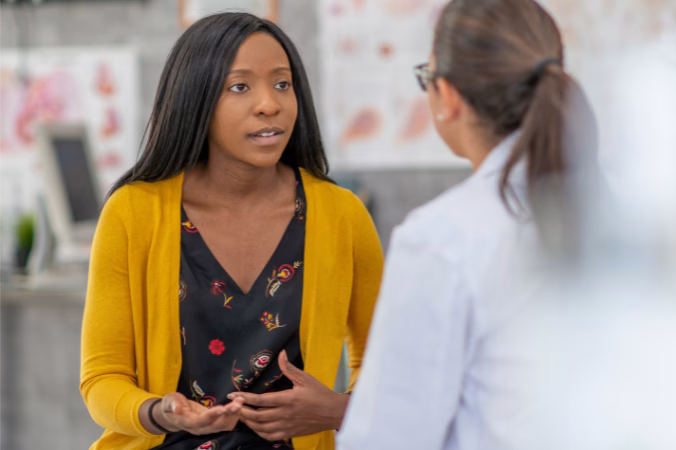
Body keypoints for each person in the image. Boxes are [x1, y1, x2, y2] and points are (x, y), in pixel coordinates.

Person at [80, 12, 383, 450]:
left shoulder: (343, 214)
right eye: (239, 87)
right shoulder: (133, 211)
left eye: (282, 84)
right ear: (196, 98)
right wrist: (158, 412)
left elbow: (385, 371)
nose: (270, 104)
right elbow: (102, 379)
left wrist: (337, 409)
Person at [337, 0, 597, 448]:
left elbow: (386, 438)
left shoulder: (442, 238)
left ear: (450, 97)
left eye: (427, 78)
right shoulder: (628, 211)